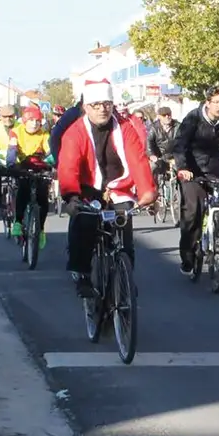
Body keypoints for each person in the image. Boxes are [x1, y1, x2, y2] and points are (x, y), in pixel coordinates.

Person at [58, 79, 156, 296]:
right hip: (87, 190)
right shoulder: (75, 132)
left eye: (107, 104)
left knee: (124, 235)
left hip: (118, 189)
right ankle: (82, 275)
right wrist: (71, 196)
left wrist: (147, 190)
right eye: (96, 104)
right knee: (83, 224)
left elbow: (138, 160)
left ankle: (124, 279)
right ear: (86, 107)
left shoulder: (124, 128)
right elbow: (68, 166)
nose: (103, 109)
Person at [171, 85, 219, 275]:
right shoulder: (193, 118)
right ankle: (188, 256)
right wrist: (182, 168)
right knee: (192, 212)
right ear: (207, 103)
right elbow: (180, 144)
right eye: (215, 102)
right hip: (192, 170)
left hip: (215, 170)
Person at [7, 105, 53, 247]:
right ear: (25, 121)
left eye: (38, 121)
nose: (35, 123)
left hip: (39, 167)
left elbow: (50, 151)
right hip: (22, 166)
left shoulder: (44, 134)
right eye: (32, 120)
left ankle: (41, 230)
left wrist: (53, 162)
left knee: (43, 198)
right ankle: (18, 222)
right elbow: (12, 150)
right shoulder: (16, 132)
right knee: (24, 190)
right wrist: (11, 163)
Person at [146, 106, 179, 180]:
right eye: (164, 115)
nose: (167, 117)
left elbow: (183, 142)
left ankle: (183, 190)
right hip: (159, 157)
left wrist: (180, 157)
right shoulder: (153, 128)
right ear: (159, 116)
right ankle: (153, 189)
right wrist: (152, 155)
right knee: (151, 168)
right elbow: (149, 143)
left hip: (174, 157)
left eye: (169, 114)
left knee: (184, 172)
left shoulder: (178, 126)